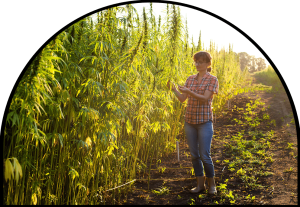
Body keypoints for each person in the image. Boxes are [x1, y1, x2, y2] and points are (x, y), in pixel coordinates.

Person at [167, 51, 218, 195]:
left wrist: (189, 91)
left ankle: (212, 185)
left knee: (204, 154)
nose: (197, 64)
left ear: (208, 64)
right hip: (189, 121)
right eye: (196, 61)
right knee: (194, 155)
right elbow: (183, 99)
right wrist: (174, 90)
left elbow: (205, 98)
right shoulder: (190, 79)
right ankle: (200, 185)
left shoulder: (212, 79)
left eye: (201, 62)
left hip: (204, 122)